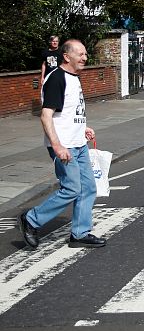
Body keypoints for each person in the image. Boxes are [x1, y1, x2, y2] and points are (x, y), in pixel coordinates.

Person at [17, 40, 106, 249]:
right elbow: (46, 116)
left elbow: (67, 112)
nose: (85, 58)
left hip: (78, 143)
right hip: (64, 146)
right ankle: (31, 219)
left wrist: (82, 127)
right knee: (72, 188)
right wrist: (57, 146)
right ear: (67, 56)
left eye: (85, 54)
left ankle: (80, 233)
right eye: (81, 54)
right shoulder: (57, 78)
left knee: (88, 189)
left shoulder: (74, 78)